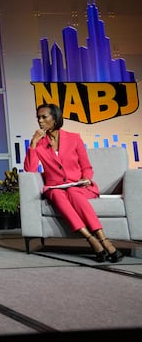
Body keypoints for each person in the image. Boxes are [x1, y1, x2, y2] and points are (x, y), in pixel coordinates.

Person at [24, 103, 123, 263]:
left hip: (79, 186)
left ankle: (103, 239)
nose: (40, 121)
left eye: (44, 117)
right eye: (38, 118)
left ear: (55, 118)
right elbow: (30, 170)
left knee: (73, 192)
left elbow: (86, 166)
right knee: (56, 193)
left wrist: (87, 178)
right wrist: (34, 144)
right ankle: (90, 239)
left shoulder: (74, 138)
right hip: (56, 187)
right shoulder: (40, 144)